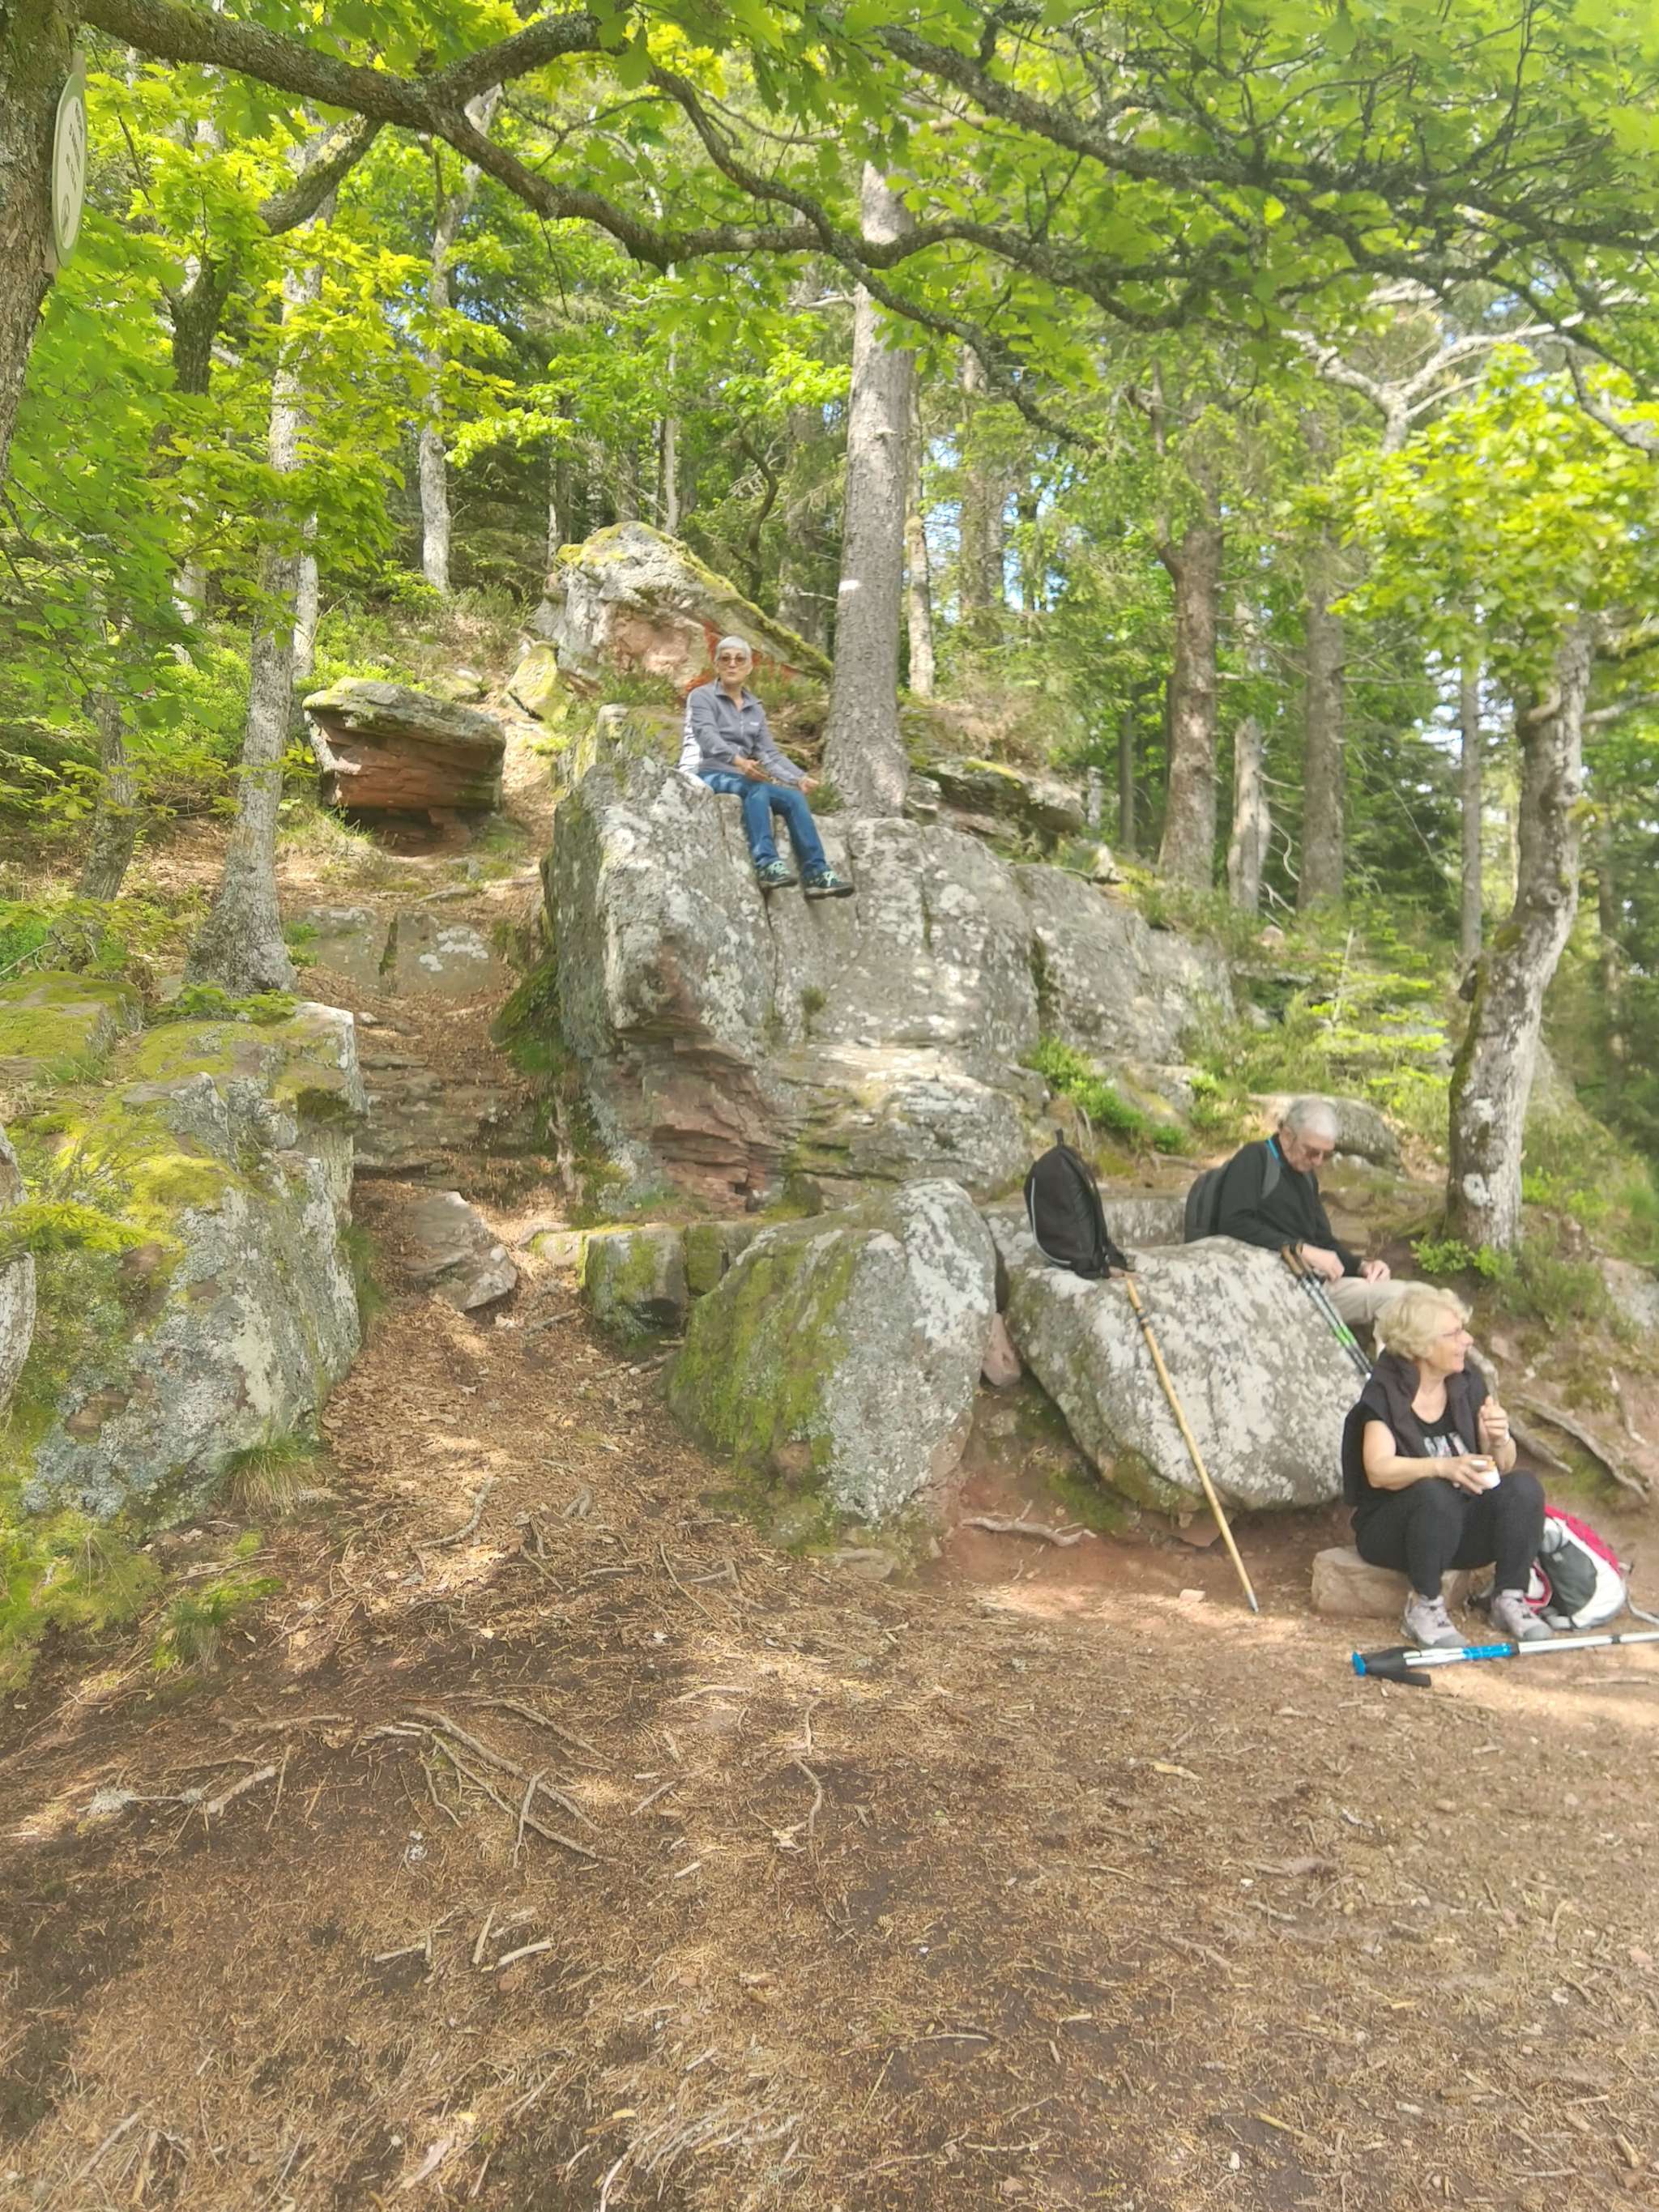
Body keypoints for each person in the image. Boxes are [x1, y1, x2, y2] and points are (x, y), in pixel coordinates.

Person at [1341, 1285, 1550, 1648]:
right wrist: (1441, 1466)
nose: (1467, 1340)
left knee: (1524, 1488)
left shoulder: (1466, 1384)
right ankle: (1424, 1606)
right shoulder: (1385, 1393)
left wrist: (1499, 1438)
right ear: (1421, 1345)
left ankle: (1509, 1598)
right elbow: (1378, 1469)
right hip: (1395, 1533)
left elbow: (1500, 1466)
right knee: (1434, 1493)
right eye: (1453, 1334)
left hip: (1455, 1528)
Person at [679, 637, 855, 898]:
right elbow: (707, 736)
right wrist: (739, 761)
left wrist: (799, 778)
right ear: (716, 664)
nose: (732, 664)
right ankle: (767, 865)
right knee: (756, 789)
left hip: (738, 776)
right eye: (725, 659)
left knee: (794, 799)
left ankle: (816, 873)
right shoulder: (702, 697)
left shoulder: (754, 708)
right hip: (703, 771)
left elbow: (768, 753)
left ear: (750, 667)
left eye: (739, 659)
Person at [1213, 1095, 1410, 1328]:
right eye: (1312, 1152)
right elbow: (1234, 1222)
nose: (1318, 1161)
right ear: (1287, 1136)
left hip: (1315, 1283)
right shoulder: (1254, 1159)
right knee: (1401, 1300)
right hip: (1278, 1286)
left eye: (1326, 1155)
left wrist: (1362, 1267)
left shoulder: (1306, 1176)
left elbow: (1323, 1241)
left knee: (1416, 1295)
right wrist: (1300, 1249)